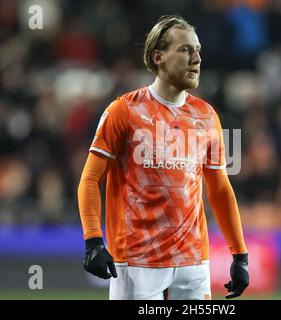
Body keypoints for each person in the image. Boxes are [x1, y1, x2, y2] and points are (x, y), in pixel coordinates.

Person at [78, 15, 249, 300]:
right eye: (185, 50)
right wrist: (93, 240)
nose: (196, 58)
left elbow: (219, 190)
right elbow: (90, 179)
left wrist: (239, 254)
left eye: (198, 50)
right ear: (158, 57)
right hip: (136, 262)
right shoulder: (124, 111)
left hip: (193, 262)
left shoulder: (208, 117)